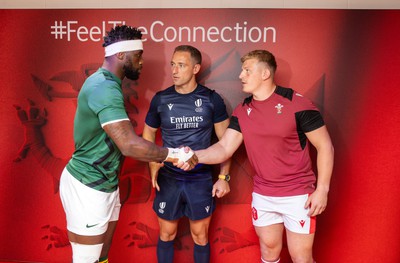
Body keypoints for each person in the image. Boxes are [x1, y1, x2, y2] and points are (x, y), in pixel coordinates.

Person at [59, 25, 198, 263]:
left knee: (102, 255)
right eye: (138, 55)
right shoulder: (103, 87)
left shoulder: (109, 84)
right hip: (88, 185)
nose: (142, 62)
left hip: (106, 184)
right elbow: (129, 145)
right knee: (86, 259)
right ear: (121, 55)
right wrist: (176, 155)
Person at [191, 50, 334, 263]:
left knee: (301, 257)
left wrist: (322, 189)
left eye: (247, 71)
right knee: (268, 251)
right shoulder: (242, 110)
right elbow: (224, 148)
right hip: (263, 195)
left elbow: (325, 146)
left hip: (298, 196)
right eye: (242, 70)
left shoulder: (298, 104)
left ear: (265, 73)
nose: (241, 75)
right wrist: (193, 156)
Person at [142, 45, 231, 263]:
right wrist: (153, 163)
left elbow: (226, 143)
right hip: (169, 177)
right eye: (172, 64)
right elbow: (148, 134)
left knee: (200, 236)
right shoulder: (161, 99)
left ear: (196, 68)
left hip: (200, 178)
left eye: (181, 65)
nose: (174, 70)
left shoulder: (212, 100)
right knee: (166, 234)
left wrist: (223, 176)